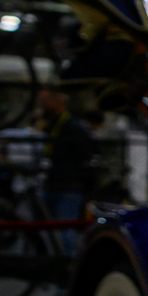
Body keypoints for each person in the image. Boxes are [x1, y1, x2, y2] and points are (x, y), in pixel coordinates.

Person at [36, 87, 97, 253]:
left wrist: (88, 187)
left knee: (64, 233)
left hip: (68, 187)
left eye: (45, 100)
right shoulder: (51, 125)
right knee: (51, 234)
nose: (42, 105)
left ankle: (66, 269)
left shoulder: (72, 126)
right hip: (53, 185)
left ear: (58, 99)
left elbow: (86, 158)